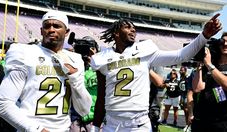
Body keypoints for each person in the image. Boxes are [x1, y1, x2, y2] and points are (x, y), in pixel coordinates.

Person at [90, 13, 221, 131]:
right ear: (116, 33)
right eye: (127, 27)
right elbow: (101, 97)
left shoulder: (144, 50)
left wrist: (204, 36)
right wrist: (95, 126)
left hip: (138, 124)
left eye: (134, 28)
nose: (133, 30)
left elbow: (181, 56)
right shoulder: (102, 58)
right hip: (112, 124)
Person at [0, 10, 92, 132]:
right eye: (47, 26)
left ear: (66, 32)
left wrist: (75, 79)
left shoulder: (75, 59)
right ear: (41, 30)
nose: (51, 29)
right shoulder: (24, 53)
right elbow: (3, 104)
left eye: (56, 26)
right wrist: (37, 129)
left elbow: (84, 110)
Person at [191, 32, 227, 132]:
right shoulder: (210, 63)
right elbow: (198, 88)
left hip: (222, 121)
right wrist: (200, 65)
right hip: (202, 119)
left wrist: (210, 65)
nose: (225, 44)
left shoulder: (210, 65)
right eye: (222, 42)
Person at [70, 36, 100, 132]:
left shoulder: (101, 67)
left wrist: (95, 60)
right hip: (75, 119)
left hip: (96, 119)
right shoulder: (72, 68)